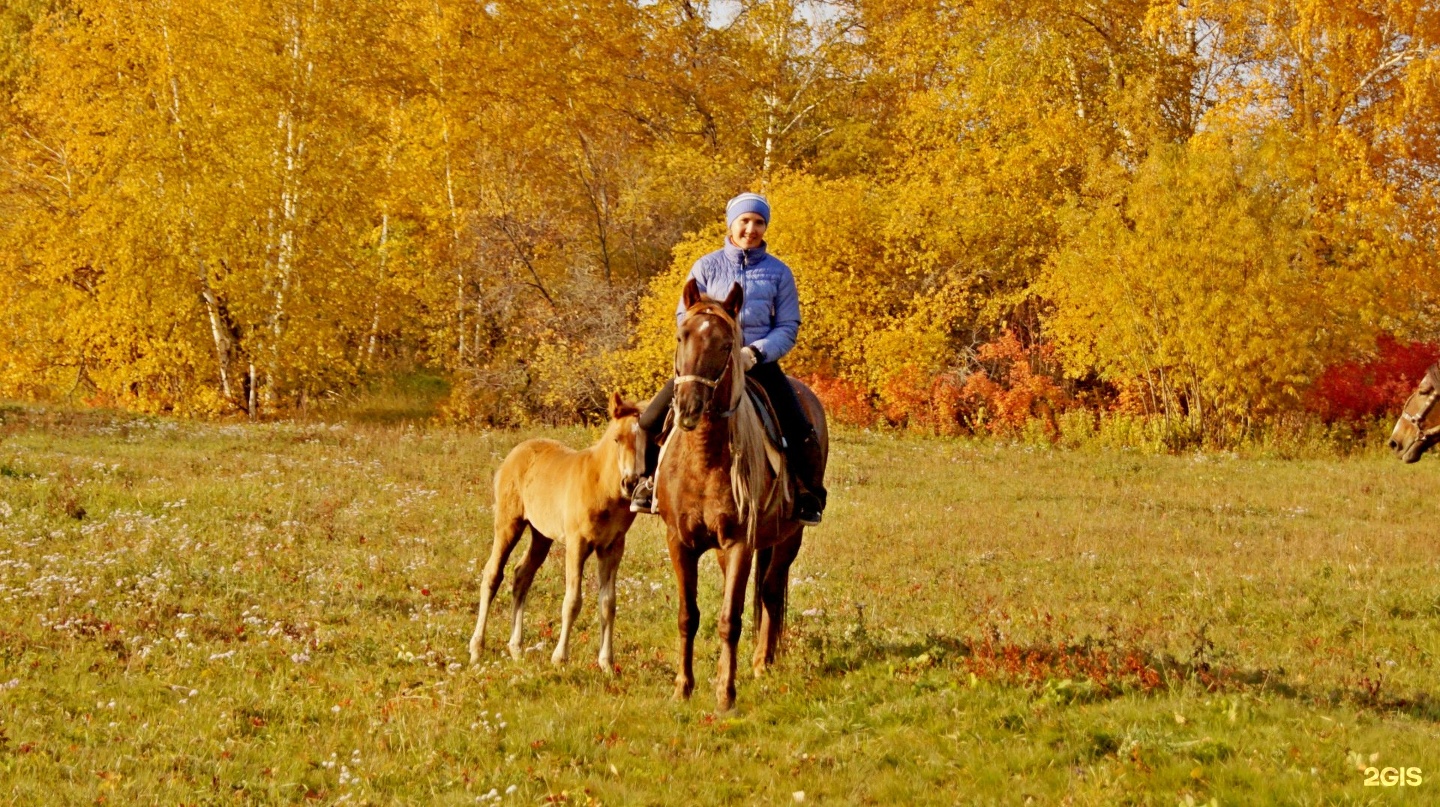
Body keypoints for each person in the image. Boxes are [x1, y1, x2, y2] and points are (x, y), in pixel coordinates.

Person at [629, 192, 827, 525]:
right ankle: (647, 483)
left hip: (757, 364)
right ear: (731, 224)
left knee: (800, 427)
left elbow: (788, 325)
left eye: (759, 222)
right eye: (745, 221)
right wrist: (704, 350)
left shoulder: (778, 273)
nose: (751, 228)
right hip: (706, 365)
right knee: (649, 421)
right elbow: (685, 316)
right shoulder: (706, 266)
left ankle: (808, 493)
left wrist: (755, 352)